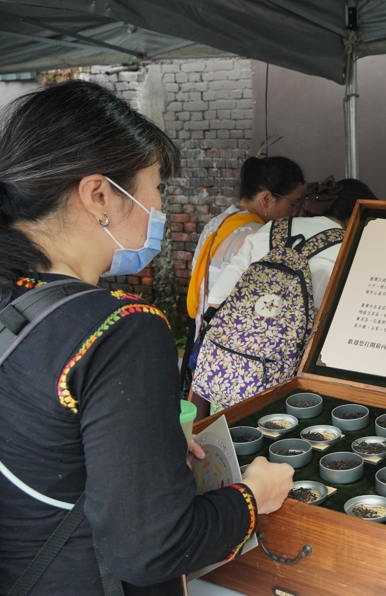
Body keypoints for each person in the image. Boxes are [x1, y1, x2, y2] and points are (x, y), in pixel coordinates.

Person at [0, 80, 294, 595]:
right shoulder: (122, 327)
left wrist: (141, 443)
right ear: (99, 196)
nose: (159, 206)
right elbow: (153, 548)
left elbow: (41, 447)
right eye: (156, 187)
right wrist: (253, 496)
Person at [182, 156, 304, 387]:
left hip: (200, 324)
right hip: (228, 340)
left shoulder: (220, 220)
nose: (296, 214)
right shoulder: (259, 236)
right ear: (267, 198)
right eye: (293, 204)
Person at [207, 176, 376, 312]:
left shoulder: (270, 228)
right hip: (303, 351)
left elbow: (216, 299)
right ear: (360, 217)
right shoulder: (350, 250)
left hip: (241, 346)